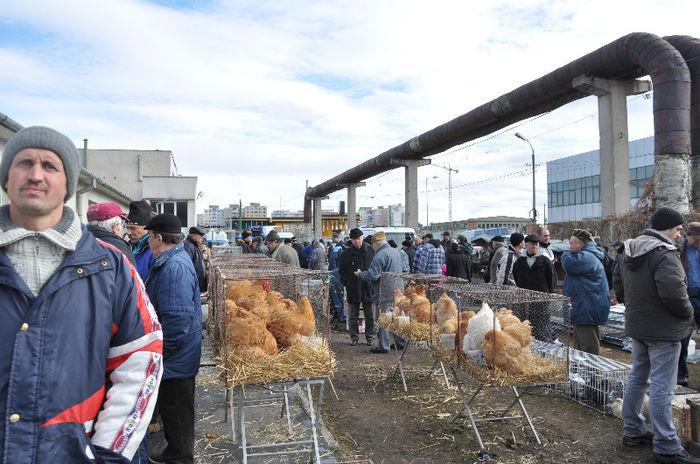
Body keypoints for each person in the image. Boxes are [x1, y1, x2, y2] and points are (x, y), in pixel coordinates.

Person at [0, 126, 162, 462]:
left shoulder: (109, 266)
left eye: (50, 166)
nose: (35, 175)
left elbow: (142, 356)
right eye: (24, 162)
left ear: (68, 184)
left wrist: (107, 452)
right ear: (6, 178)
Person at [614, 207, 699, 463]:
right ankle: (667, 446)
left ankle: (634, 431)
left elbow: (618, 286)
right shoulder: (664, 253)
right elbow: (674, 293)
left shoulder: (628, 250)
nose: (679, 233)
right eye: (677, 229)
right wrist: (688, 314)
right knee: (662, 386)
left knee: (638, 378)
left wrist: (636, 309)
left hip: (639, 327)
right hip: (664, 330)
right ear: (667, 228)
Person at [143, 214, 201, 464]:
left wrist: (159, 354)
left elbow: (177, 322)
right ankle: (174, 452)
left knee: (177, 413)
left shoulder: (173, 266)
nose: (148, 243)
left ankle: (180, 458)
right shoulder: (174, 260)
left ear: (158, 237)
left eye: (149, 237)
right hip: (178, 356)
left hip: (176, 359)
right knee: (174, 413)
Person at [561, 229, 610, 355]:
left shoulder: (587, 256)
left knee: (588, 346)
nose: (569, 247)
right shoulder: (588, 255)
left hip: (586, 308)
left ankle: (591, 373)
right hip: (584, 306)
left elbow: (569, 264)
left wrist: (566, 253)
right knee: (579, 343)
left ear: (580, 244)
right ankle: (581, 372)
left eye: (571, 244)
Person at [356, 231, 404, 353]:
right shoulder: (395, 252)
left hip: (385, 290)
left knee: (383, 317)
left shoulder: (380, 255)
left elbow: (373, 275)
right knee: (397, 316)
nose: (372, 247)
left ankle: (383, 346)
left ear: (376, 244)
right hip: (398, 288)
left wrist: (360, 274)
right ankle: (400, 342)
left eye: (373, 245)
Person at [513, 234, 556, 341]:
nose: (534, 247)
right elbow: (516, 277)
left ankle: (543, 344)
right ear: (526, 245)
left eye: (536, 245)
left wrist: (547, 294)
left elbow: (552, 278)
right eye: (532, 244)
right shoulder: (520, 262)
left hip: (541, 300)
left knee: (541, 324)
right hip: (525, 300)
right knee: (526, 323)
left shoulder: (545, 261)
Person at [339, 228, 374, 346]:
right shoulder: (346, 253)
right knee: (353, 314)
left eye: (359, 239)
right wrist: (346, 282)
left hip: (367, 287)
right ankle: (354, 337)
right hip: (352, 287)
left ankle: (370, 337)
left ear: (362, 238)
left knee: (369, 315)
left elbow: (375, 268)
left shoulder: (370, 251)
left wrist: (371, 280)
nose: (357, 242)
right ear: (351, 240)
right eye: (354, 240)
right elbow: (342, 270)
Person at [677, 222, 700, 386]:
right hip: (687, 298)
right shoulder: (678, 252)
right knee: (682, 339)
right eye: (697, 240)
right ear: (688, 236)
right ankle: (681, 375)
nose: (699, 243)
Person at [86, 201, 136, 266]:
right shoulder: (119, 249)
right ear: (115, 227)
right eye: (122, 225)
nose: (125, 232)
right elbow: (131, 275)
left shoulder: (77, 244)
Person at [126, 199, 155, 279]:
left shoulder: (155, 250)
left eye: (133, 228)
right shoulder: (128, 247)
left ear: (146, 228)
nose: (128, 233)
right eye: (127, 228)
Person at [184, 226, 208, 293]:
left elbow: (198, 263)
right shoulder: (188, 246)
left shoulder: (195, 246)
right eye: (201, 235)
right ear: (193, 235)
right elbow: (187, 268)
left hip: (197, 287)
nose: (202, 238)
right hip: (192, 288)